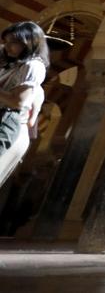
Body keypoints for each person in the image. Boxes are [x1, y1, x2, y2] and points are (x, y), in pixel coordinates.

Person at [0, 21, 49, 188]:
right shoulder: (13, 65)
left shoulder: (33, 66)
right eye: (5, 42)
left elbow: (18, 102)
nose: (7, 47)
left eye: (12, 42)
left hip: (6, 122)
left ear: (28, 42)